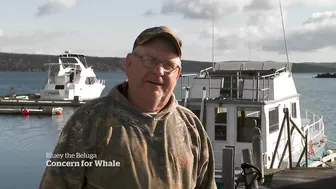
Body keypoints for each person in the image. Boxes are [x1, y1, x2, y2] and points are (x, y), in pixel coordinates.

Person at [39, 26, 217, 189]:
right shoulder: (88, 121)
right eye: (149, 60)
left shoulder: (191, 127)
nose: (159, 71)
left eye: (168, 65)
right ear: (129, 64)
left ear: (177, 74)